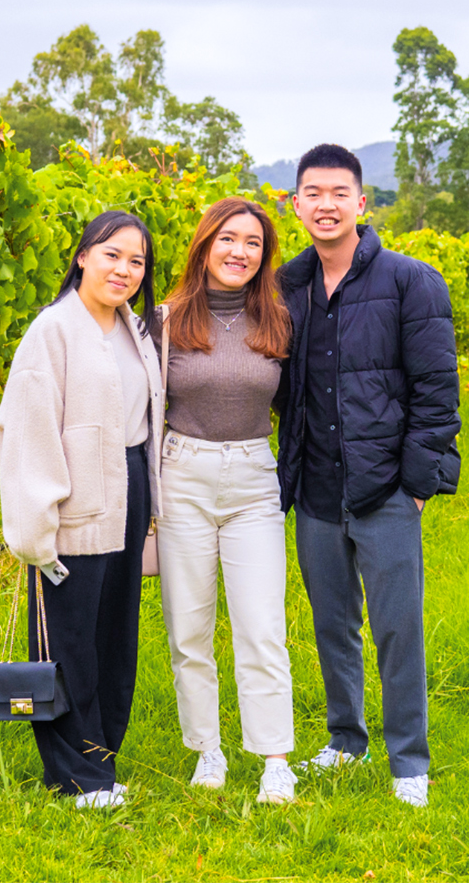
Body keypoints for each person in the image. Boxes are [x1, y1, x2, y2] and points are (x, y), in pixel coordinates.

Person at [275, 144, 461, 808]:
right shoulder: (286, 289)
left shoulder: (412, 282)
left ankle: (409, 759)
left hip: (385, 492)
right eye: (311, 193)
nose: (325, 205)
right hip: (317, 493)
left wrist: (415, 485)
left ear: (361, 203)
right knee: (332, 624)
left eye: (338, 193)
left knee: (396, 628)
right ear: (295, 204)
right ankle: (345, 738)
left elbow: (437, 393)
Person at [0, 210, 164, 810]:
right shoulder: (53, 331)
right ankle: (75, 777)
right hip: (73, 501)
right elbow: (26, 431)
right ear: (83, 256)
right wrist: (38, 531)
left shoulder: (135, 330)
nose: (124, 269)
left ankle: (102, 763)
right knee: (70, 642)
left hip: (127, 490)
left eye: (136, 261)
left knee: (115, 637)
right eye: (111, 254)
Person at [152, 198, 296, 804]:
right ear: (205, 245)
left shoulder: (280, 320)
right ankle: (207, 751)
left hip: (253, 481)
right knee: (189, 627)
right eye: (228, 239)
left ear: (264, 255)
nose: (240, 252)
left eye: (253, 243)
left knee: (261, 625)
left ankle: (274, 760)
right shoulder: (163, 320)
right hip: (183, 475)